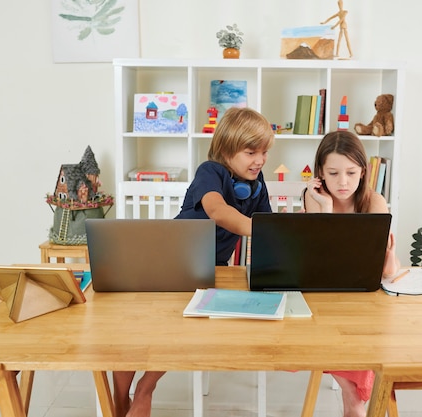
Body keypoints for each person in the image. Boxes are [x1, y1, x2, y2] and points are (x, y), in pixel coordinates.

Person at [112, 106, 275, 417]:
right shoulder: (209, 172)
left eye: (264, 152)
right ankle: (120, 403)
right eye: (251, 151)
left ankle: (146, 387)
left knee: (180, 332)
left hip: (210, 271)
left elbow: (268, 221)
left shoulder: (257, 182)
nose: (260, 160)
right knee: (136, 333)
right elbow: (218, 211)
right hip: (168, 260)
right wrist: (263, 230)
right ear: (227, 151)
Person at [303, 130, 401, 417]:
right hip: (323, 302)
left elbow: (388, 271)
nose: (342, 182)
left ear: (363, 172)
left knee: (360, 348)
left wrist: (391, 255)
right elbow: (321, 264)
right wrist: (327, 208)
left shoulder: (374, 202)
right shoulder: (314, 199)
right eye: (333, 173)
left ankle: (354, 403)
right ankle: (354, 403)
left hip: (363, 304)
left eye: (351, 172)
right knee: (351, 383)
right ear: (320, 172)